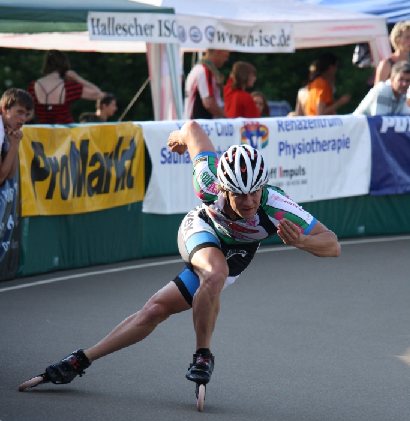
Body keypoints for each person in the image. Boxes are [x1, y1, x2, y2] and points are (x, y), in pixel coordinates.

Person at [19, 120, 340, 391]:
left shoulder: (277, 207)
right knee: (213, 273)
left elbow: (332, 244)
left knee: (155, 310)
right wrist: (178, 139)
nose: (248, 202)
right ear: (223, 188)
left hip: (239, 251)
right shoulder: (207, 181)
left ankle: (80, 359)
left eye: (254, 191)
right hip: (202, 229)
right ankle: (204, 355)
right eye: (239, 194)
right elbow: (192, 128)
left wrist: (303, 243)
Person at [28, 49, 104, 124]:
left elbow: (30, 114)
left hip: (42, 133)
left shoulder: (33, 86)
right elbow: (99, 94)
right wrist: (78, 78)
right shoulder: (68, 87)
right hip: (65, 133)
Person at [0, 88, 33, 185]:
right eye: (19, 112)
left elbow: (10, 175)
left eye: (26, 114)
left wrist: (15, 143)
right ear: (4, 109)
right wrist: (14, 145)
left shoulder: (8, 129)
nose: (23, 119)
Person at [184, 49, 230, 119]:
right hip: (202, 123)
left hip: (196, 121)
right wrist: (226, 117)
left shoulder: (198, 68)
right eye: (225, 56)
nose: (226, 59)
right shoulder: (205, 71)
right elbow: (209, 103)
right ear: (217, 52)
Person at [304, 52, 351, 116]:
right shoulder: (322, 85)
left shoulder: (314, 82)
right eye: (336, 66)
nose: (336, 70)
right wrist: (341, 102)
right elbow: (320, 113)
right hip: (320, 124)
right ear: (331, 68)